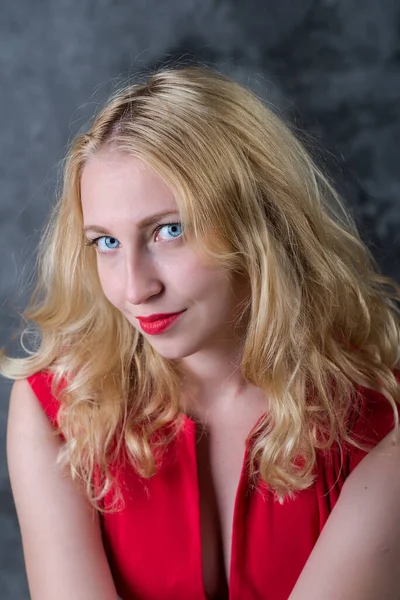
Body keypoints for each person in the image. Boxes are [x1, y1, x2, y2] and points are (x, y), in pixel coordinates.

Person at [2, 64, 400, 600]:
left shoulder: (383, 417)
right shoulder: (56, 408)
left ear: (258, 225)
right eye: (106, 243)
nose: (135, 288)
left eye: (170, 230)